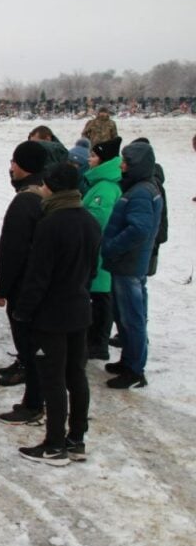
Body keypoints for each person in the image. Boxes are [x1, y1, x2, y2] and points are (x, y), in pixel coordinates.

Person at [14, 163, 102, 465]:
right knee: (76, 374)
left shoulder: (50, 224)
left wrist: (23, 312)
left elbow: (38, 277)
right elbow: (92, 269)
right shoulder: (89, 221)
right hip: (79, 308)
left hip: (52, 315)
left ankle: (53, 444)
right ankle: (76, 438)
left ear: (51, 187)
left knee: (52, 378)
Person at [101, 141, 164, 389]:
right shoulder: (144, 187)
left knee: (132, 318)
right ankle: (129, 361)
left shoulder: (140, 192)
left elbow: (139, 229)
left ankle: (135, 369)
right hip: (129, 264)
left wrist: (111, 246)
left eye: (127, 162)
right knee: (126, 316)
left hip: (129, 265)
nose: (123, 166)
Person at [0, 141, 46, 405]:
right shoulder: (44, 191)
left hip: (24, 283)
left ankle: (33, 399)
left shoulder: (26, 201)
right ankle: (26, 364)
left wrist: (2, 287)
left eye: (14, 162)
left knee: (27, 336)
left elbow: (13, 248)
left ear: (24, 165)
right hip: (37, 280)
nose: (10, 167)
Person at [81, 137, 123, 360]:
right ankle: (96, 341)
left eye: (94, 156)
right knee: (99, 297)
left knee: (100, 298)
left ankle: (98, 344)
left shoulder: (105, 188)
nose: (90, 159)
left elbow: (97, 222)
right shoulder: (101, 184)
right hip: (98, 253)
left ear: (104, 161)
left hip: (99, 254)